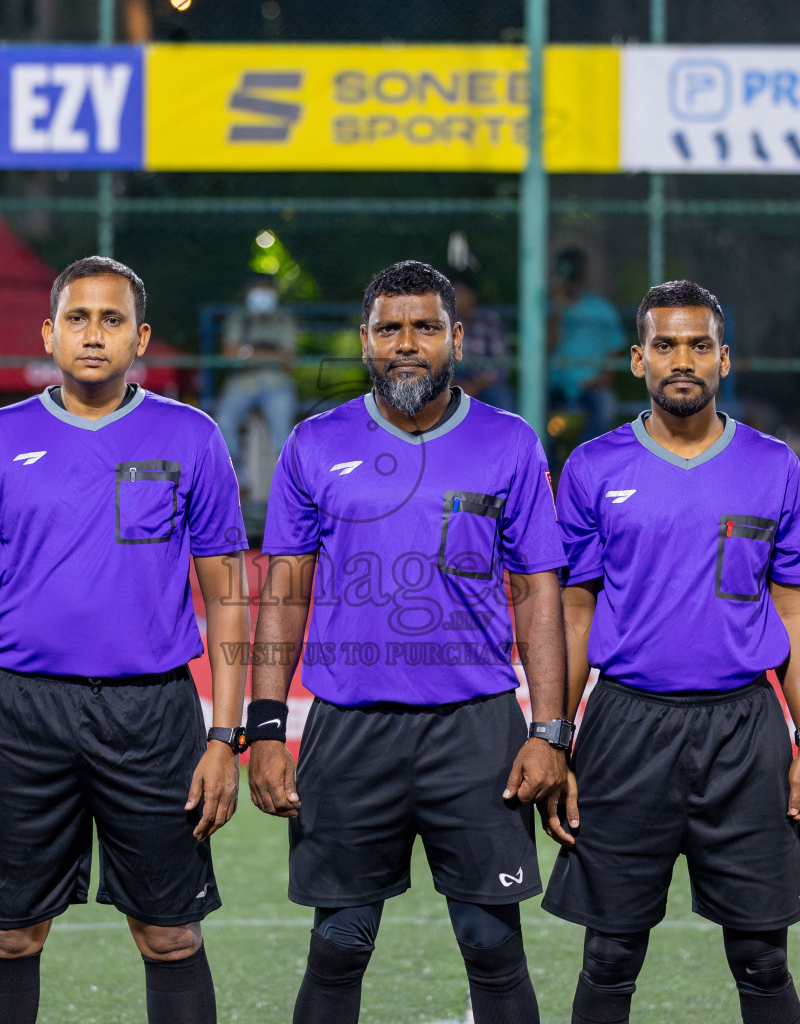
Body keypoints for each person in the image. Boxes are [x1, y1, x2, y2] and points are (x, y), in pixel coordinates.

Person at [248, 260, 574, 1024]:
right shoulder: (314, 443)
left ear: (454, 339)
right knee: (339, 942)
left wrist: (550, 731)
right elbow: (283, 591)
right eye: (389, 328)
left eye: (425, 327)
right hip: (349, 728)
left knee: (491, 942)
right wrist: (265, 728)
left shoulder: (510, 444)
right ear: (365, 340)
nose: (406, 343)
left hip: (476, 727)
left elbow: (538, 596)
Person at [0, 256, 250, 1024]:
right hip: (21, 715)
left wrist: (224, 738)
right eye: (78, 318)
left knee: (171, 936)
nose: (94, 334)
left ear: (140, 338)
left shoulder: (192, 436)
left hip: (153, 715)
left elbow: (229, 598)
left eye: (112, 320)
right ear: (49, 332)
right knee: (8, 936)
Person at [543, 280, 800, 1024]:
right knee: (609, 954)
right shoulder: (593, 468)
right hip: (626, 726)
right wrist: (556, 739)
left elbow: (791, 602)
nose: (682, 359)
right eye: (665, 345)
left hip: (745, 730)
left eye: (699, 345)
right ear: (638, 359)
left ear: (724, 358)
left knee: (763, 957)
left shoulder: (773, 465)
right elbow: (576, 608)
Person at [213, 273, 299, 467]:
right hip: (242, 382)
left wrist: (247, 352)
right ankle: (239, 481)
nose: (263, 294)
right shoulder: (238, 318)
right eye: (258, 289)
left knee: (283, 433)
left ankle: (290, 485)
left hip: (276, 382)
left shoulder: (284, 319)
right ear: (248, 292)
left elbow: (287, 358)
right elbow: (229, 353)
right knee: (222, 424)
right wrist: (271, 353)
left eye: (267, 289)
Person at [548, 248, 625, 443]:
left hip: (591, 384)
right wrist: (557, 311)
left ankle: (580, 460)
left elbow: (615, 346)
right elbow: (546, 346)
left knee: (606, 406)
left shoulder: (601, 308)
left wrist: (605, 377)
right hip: (554, 383)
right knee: (532, 405)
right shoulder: (547, 307)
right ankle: (548, 465)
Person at [452, 269, 514, 411]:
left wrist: (475, 385)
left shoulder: (489, 320)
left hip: (485, 381)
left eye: (459, 291)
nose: (454, 296)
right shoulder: (444, 321)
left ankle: (507, 433)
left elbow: (501, 363)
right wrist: (455, 383)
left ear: (472, 294)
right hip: (453, 380)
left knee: (502, 398)